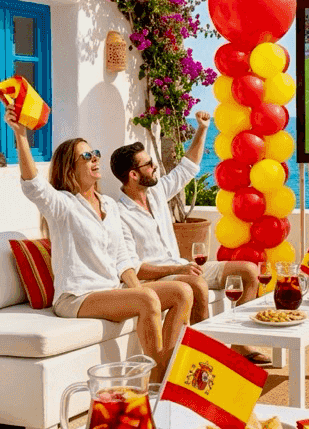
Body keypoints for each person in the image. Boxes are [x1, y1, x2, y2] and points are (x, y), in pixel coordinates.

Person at [7, 109, 192, 383]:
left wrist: (138, 289)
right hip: (77, 297)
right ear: (70, 168)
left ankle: (168, 371)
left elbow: (122, 258)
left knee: (182, 291)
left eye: (95, 153)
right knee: (148, 300)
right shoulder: (63, 205)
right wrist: (21, 136)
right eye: (86, 156)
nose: (94, 158)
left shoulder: (109, 206)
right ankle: (158, 381)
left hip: (111, 289)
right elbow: (34, 186)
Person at [110, 113, 267, 365]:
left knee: (249, 271)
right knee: (197, 284)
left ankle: (239, 343)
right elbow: (134, 269)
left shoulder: (156, 192)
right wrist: (178, 269)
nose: (155, 166)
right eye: (148, 164)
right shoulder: (119, 214)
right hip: (159, 277)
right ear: (133, 175)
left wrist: (202, 129)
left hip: (182, 266)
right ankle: (206, 359)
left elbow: (188, 167)